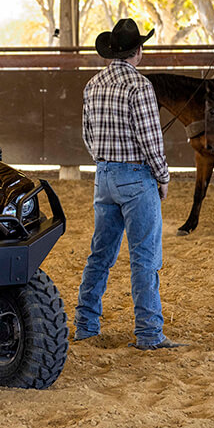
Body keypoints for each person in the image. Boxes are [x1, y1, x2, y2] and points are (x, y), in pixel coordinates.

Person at [76, 18, 181, 351]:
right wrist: (162, 177)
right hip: (136, 178)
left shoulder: (93, 85)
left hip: (104, 176)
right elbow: (150, 140)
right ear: (139, 51)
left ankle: (85, 325)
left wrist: (106, 162)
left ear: (110, 52)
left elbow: (88, 136)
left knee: (100, 255)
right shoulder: (140, 86)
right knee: (144, 258)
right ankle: (149, 332)